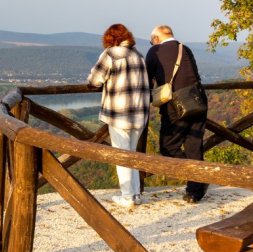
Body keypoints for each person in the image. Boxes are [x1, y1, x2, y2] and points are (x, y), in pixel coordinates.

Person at [87, 23, 149, 209]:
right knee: (132, 154)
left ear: (110, 38)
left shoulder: (111, 54)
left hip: (119, 113)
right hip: (139, 112)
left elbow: (94, 80)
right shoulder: (138, 56)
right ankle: (136, 194)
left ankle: (127, 196)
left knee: (121, 155)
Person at [144, 24, 208, 203]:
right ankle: (195, 190)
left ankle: (197, 180)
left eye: (151, 41)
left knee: (168, 146)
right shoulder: (184, 48)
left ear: (156, 39)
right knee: (194, 145)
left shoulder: (155, 51)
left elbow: (147, 78)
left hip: (175, 105)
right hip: (198, 100)